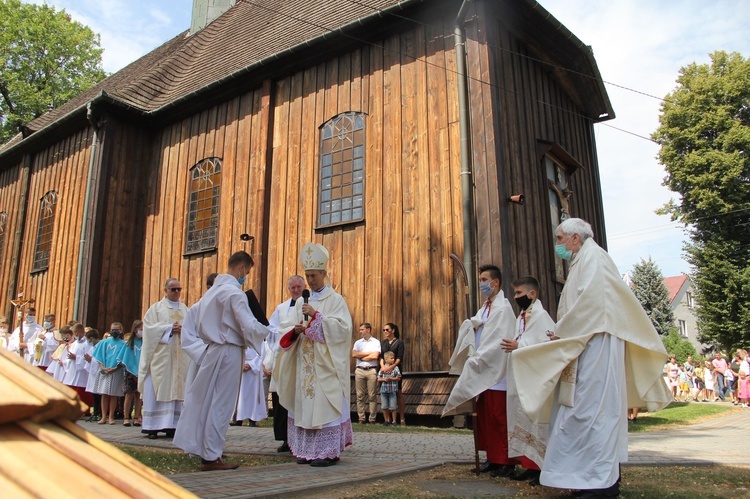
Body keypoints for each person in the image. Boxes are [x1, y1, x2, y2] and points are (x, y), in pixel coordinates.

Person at [512, 218, 672, 497]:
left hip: (598, 345)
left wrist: (561, 331)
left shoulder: (595, 258)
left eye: (560, 238)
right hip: (585, 343)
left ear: (575, 238)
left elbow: (593, 302)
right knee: (578, 413)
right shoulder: (581, 260)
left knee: (593, 412)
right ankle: (585, 478)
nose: (558, 244)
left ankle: (601, 484)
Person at [173, 251, 270, 471]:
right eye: (248, 272)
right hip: (230, 351)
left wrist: (201, 350)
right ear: (242, 268)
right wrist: (267, 332)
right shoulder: (235, 294)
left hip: (212, 351)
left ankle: (207, 452)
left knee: (208, 401)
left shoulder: (209, 294)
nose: (246, 276)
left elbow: (190, 322)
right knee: (222, 404)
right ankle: (211, 456)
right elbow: (248, 325)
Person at [274, 242, 354, 467]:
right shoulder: (300, 301)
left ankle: (327, 452)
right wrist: (296, 329)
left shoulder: (335, 300)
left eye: (314, 276)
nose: (310, 281)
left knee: (325, 407)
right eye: (307, 276)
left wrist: (317, 317)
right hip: (304, 365)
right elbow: (285, 330)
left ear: (324, 273)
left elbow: (343, 330)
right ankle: (307, 450)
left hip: (325, 367)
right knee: (305, 408)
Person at [442, 264, 518, 478]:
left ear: (495, 282)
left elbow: (498, 340)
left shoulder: (503, 309)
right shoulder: (484, 308)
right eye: (481, 279)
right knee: (484, 417)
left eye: (485, 279)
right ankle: (492, 458)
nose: (482, 283)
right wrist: (470, 325)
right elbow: (476, 328)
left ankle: (507, 461)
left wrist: (479, 358)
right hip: (482, 368)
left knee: (498, 417)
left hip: (496, 370)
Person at [502, 276, 556, 485]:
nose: (516, 297)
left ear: (531, 294)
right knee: (521, 419)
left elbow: (545, 347)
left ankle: (540, 467)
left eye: (518, 293)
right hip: (520, 376)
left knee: (536, 423)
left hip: (535, 380)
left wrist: (519, 346)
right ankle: (528, 464)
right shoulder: (521, 317)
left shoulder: (541, 317)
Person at [139, 278, 189, 439]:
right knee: (158, 388)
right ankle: (152, 426)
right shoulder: (156, 309)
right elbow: (148, 329)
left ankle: (173, 425)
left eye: (179, 289)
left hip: (180, 356)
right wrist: (168, 328)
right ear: (165, 290)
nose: (176, 292)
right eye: (173, 289)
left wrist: (184, 329)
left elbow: (193, 329)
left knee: (178, 389)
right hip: (162, 358)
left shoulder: (185, 309)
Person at [265, 275, 306, 453]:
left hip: (303, 358)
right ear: (288, 289)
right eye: (293, 288)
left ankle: (300, 437)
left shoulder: (310, 304)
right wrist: (287, 331)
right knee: (281, 397)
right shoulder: (281, 308)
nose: (296, 290)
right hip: (284, 355)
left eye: (299, 287)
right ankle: (285, 438)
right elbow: (271, 330)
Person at [92, 323, 127, 425]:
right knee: (104, 394)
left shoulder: (124, 344)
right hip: (104, 370)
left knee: (113, 394)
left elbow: (124, 358)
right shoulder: (104, 342)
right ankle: (103, 416)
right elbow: (98, 355)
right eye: (113, 329)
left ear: (121, 331)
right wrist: (102, 367)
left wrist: (115, 368)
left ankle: (111, 416)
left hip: (116, 371)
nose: (114, 331)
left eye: (117, 329)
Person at [232, 341, 268, 427]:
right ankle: (238, 418)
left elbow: (261, 353)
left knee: (253, 394)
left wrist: (251, 365)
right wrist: (241, 363)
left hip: (253, 371)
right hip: (241, 367)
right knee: (240, 394)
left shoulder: (258, 338)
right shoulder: (240, 336)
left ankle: (252, 419)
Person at [352, 322, 381, 424]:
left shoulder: (376, 342)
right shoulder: (358, 342)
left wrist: (362, 356)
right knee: (360, 395)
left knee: (372, 395)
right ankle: (361, 417)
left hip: (371, 370)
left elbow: (375, 356)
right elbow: (353, 354)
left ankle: (372, 418)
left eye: (362, 329)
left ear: (368, 330)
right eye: (360, 330)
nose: (360, 331)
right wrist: (369, 353)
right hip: (360, 370)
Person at [379, 323, 406, 426]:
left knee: (398, 393)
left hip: (395, 369)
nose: (385, 332)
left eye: (387, 330)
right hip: (384, 370)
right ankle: (387, 419)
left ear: (393, 330)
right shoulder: (383, 343)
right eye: (384, 330)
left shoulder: (399, 343)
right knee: (385, 392)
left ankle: (401, 418)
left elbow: (399, 357)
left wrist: (391, 367)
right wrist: (383, 367)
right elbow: (381, 356)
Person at [64, 323, 94, 411]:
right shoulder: (74, 343)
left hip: (82, 370)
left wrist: (76, 358)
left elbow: (88, 356)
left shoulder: (87, 343)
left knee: (81, 390)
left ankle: (84, 410)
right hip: (73, 369)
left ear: (77, 332)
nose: (73, 335)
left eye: (73, 333)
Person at [120, 320, 144, 426]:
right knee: (129, 395)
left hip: (142, 371)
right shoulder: (129, 343)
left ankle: (136, 417)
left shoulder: (145, 342)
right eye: (141, 329)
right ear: (135, 330)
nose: (142, 331)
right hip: (130, 372)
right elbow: (125, 359)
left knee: (139, 395)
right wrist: (133, 374)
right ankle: (126, 417)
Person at [378, 351, 401, 425]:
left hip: (392, 390)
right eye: (392, 358)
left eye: (394, 358)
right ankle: (386, 420)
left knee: (393, 406)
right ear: (386, 359)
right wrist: (384, 379)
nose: (393, 359)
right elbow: (378, 378)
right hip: (384, 390)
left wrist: (392, 379)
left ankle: (394, 421)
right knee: (384, 406)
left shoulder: (395, 368)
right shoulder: (382, 369)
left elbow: (399, 377)